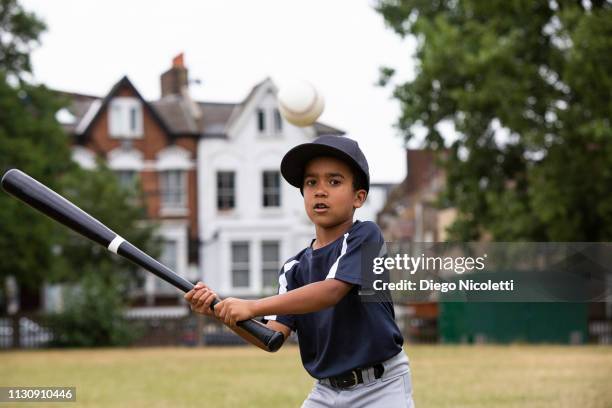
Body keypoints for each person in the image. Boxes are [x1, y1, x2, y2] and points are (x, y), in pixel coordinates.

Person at [185, 135, 415, 407]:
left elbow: (331, 291)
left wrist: (252, 306)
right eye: (311, 182)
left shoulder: (365, 236)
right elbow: (271, 337)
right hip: (326, 392)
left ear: (359, 197)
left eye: (334, 181)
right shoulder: (293, 269)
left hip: (381, 387)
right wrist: (220, 310)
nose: (320, 190)